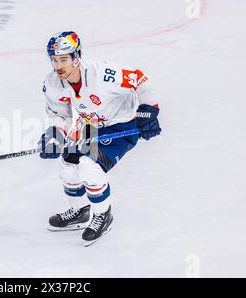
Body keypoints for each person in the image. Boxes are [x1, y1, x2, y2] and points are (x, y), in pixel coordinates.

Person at [38, 31, 161, 245]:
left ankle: (103, 215)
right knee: (68, 165)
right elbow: (60, 114)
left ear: (76, 57)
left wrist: (148, 111)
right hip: (89, 125)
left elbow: (141, 80)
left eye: (64, 59)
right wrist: (55, 135)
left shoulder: (104, 75)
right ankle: (80, 212)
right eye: (54, 60)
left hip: (119, 127)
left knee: (89, 167)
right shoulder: (53, 83)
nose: (58, 66)